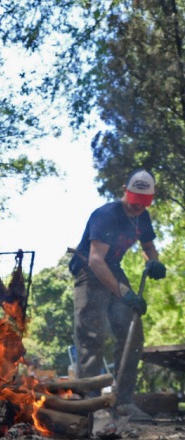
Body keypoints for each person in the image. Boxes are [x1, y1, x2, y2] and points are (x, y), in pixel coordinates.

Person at [69, 169, 166, 421]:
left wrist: (153, 262)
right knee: (92, 334)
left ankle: (123, 401)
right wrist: (124, 292)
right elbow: (95, 260)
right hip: (88, 270)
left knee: (133, 332)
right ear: (125, 191)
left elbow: (148, 246)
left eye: (144, 203)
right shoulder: (106, 215)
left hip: (112, 268)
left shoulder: (142, 217)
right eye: (134, 201)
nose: (138, 207)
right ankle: (90, 405)